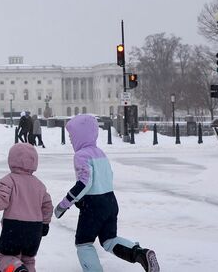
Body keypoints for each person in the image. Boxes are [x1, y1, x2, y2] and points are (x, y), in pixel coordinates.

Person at [54, 115, 158, 272]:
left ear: (80, 135)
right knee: (109, 240)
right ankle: (140, 254)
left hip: (93, 206)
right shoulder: (100, 153)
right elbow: (108, 175)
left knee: (84, 243)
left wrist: (64, 204)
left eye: (72, 136)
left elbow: (84, 183)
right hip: (110, 202)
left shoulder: (81, 155)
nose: (70, 139)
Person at [0, 143, 53, 272]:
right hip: (35, 230)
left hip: (14, 228)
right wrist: (45, 224)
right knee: (28, 260)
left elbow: (0, 200)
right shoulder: (40, 185)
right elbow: (47, 206)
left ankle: (17, 269)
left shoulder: (8, 180)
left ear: (11, 160)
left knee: (3, 257)